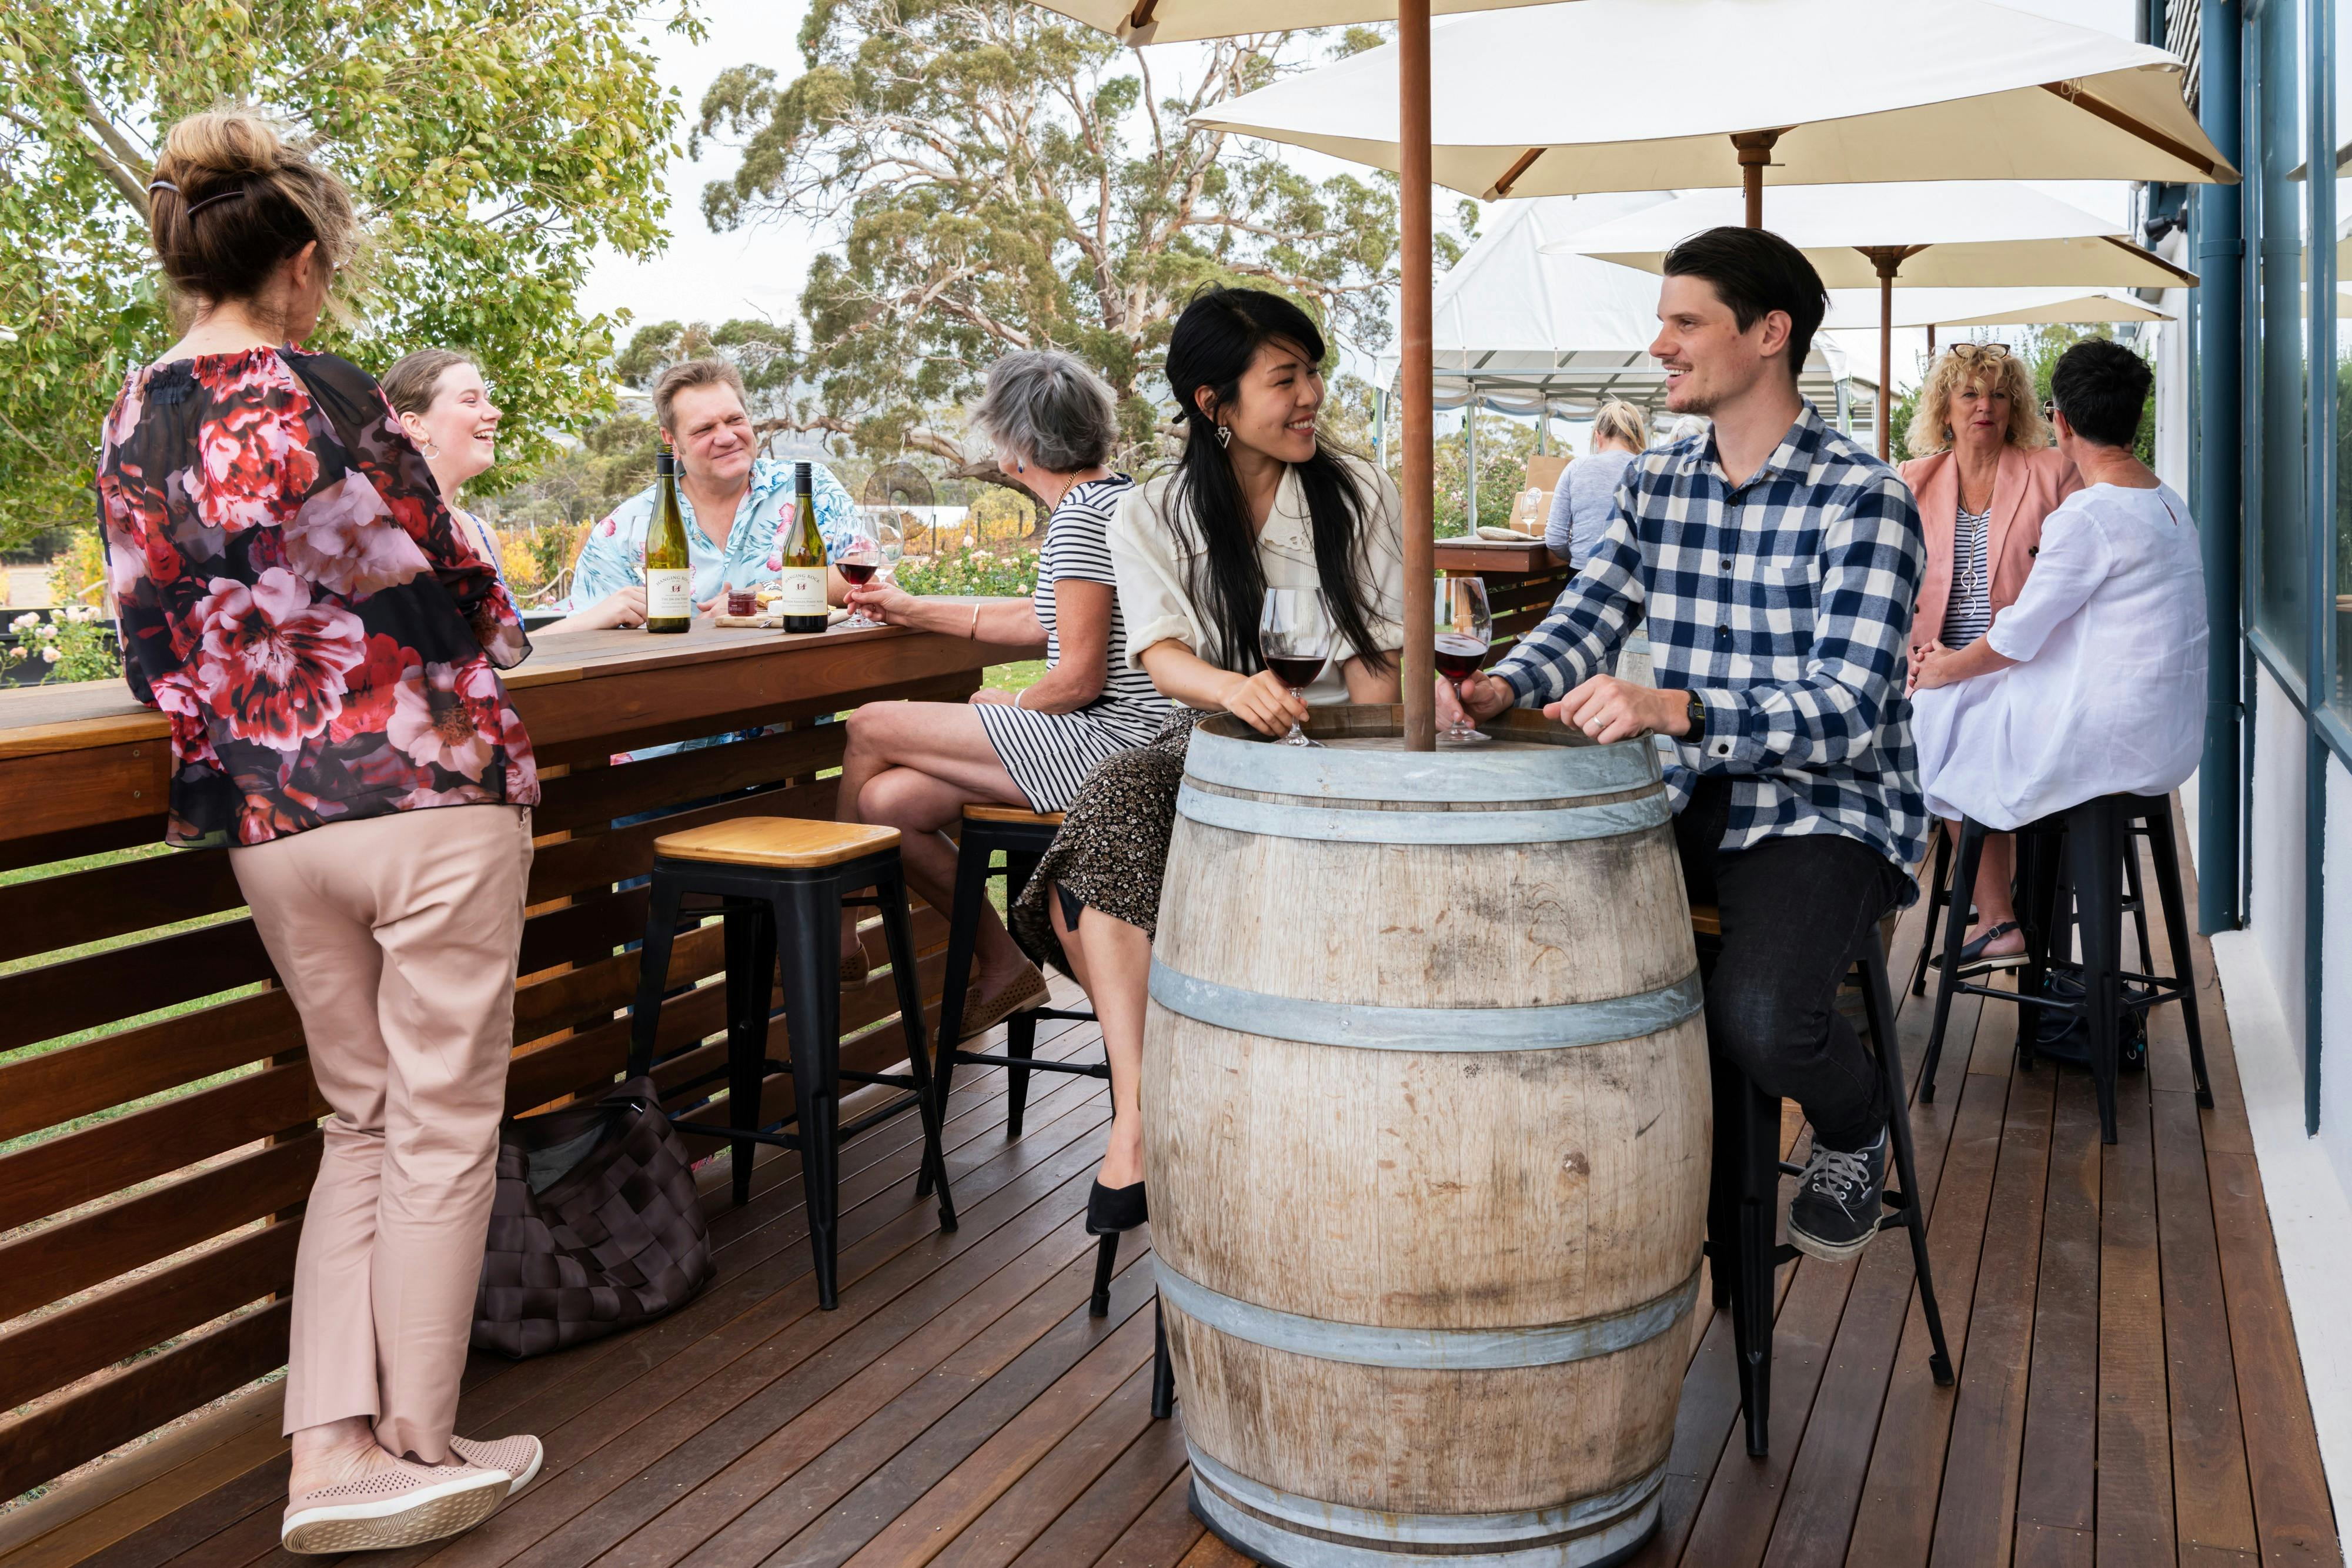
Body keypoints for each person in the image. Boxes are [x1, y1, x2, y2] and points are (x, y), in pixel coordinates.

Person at [99, 108, 543, 1552]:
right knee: (440, 1124)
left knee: (361, 1118)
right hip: (423, 792)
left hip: (269, 814)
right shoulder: (327, 391)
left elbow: (145, 645)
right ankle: (417, 1444)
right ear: (298, 264)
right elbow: (461, 581)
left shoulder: (133, 416)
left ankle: (327, 1454)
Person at [1442, 226, 1927, 1266]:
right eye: (1662, 322)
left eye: (1685, 322)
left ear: (1769, 333)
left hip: (1828, 809)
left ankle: (1856, 1125)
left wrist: (1677, 708)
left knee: (1762, 1017)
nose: (1659, 344)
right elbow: (1587, 615)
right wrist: (1500, 685)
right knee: (1525, 952)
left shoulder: (1866, 495)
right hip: (1686, 794)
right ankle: (1645, 1198)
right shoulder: (1656, 480)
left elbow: (1850, 707)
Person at [1007, 286, 1405, 1239]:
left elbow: (1378, 666)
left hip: (1337, 750)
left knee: (1088, 868)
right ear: (1212, 402)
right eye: (1285, 379)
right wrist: (1237, 691)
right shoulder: (1152, 511)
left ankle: (1155, 1106)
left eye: (1312, 374)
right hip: (1216, 741)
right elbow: (1161, 654)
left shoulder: (1358, 492)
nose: (1310, 395)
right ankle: (1141, 1115)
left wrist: (1363, 756)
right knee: (1118, 800)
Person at [833, 350, 1172, 1035]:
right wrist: (911, 609)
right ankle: (1004, 963)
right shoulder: (1117, 497)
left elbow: (1078, 678)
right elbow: (1042, 620)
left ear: (1015, 442)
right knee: (888, 803)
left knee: (868, 724)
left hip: (1115, 743)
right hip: (1143, 740)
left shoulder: (1079, 518)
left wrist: (1010, 706)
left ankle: (836, 923)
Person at [1910, 340, 2206, 833]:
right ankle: (2015, 878)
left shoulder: (2088, 514)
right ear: (2136, 417)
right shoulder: (2169, 502)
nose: (1985, 406)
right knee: (1957, 711)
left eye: (1998, 395)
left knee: (1936, 714)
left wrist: (1942, 669)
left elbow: (2017, 636)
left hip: (2108, 740)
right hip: (2168, 736)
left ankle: (1994, 883)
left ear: (2061, 423)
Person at [1898, 342, 2080, 970]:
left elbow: (2074, 584)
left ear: (2016, 407)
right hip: (1940, 664)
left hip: (2027, 664)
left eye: (1999, 394)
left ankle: (2000, 918)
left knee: (1954, 727)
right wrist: (1915, 655)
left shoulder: (2051, 472)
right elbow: (1891, 584)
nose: (1985, 405)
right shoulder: (1912, 480)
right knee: (1936, 717)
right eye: (1970, 393)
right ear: (1944, 408)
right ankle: (1998, 912)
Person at [554, 357, 859, 618]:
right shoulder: (621, 530)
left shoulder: (810, 487)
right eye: (704, 429)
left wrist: (765, 595)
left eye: (735, 420)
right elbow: (580, 635)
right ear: (671, 441)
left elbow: (863, 575)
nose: (726, 437)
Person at [382, 347, 649, 633]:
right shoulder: (382, 535)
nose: (495, 413)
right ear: (416, 425)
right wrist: (597, 617)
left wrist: (602, 615)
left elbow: (507, 647)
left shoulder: (481, 533)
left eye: (487, 398)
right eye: (471, 401)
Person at [1545, 398, 1649, 568]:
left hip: (1583, 573)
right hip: (1635, 577)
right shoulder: (1648, 468)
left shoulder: (1576, 468)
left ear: (1597, 436)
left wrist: (1579, 557)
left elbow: (1555, 539)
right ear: (1636, 436)